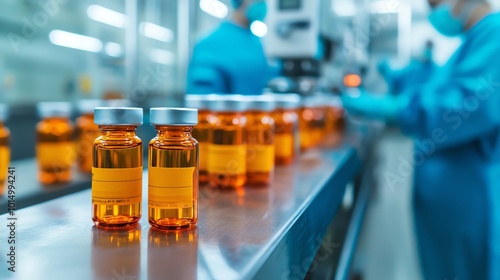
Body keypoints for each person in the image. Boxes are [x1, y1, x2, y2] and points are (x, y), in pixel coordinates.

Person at [342, 0, 500, 279]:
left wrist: (390, 109)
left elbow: (466, 107)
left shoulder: (495, 32)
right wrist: (402, 75)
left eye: (435, 2)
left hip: (469, 200)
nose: (433, 10)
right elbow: (439, 88)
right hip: (447, 201)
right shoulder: (472, 40)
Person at [186, 0, 277, 95]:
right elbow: (202, 97)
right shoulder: (209, 43)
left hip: (256, 110)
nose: (262, 3)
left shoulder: (256, 42)